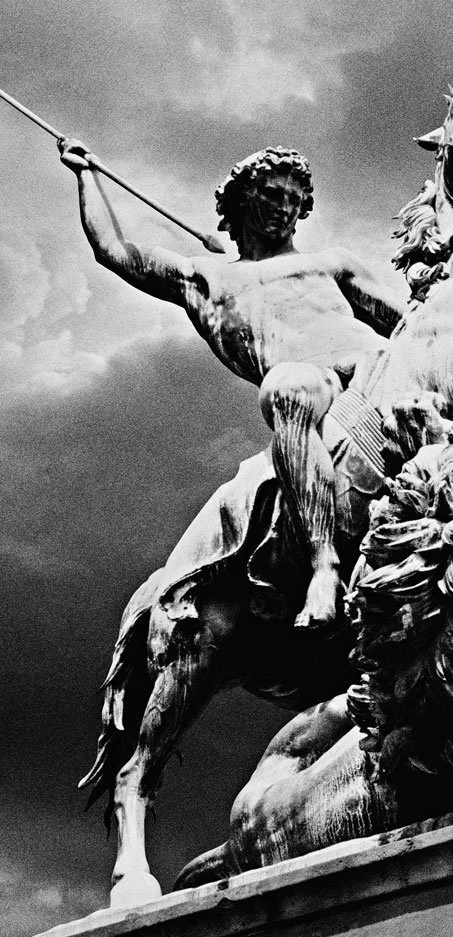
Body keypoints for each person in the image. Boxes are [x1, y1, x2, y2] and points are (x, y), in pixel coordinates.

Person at [61, 141, 409, 628]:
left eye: (295, 199)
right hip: (313, 385)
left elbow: (407, 323)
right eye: (273, 195)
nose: (285, 208)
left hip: (378, 368)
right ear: (244, 198)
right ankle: (324, 565)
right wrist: (87, 176)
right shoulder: (205, 279)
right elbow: (114, 251)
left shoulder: (333, 263)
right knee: (286, 387)